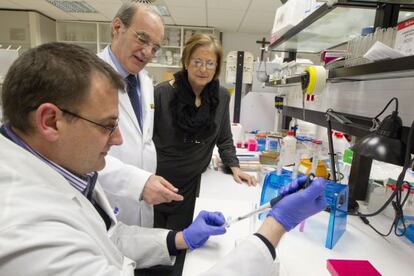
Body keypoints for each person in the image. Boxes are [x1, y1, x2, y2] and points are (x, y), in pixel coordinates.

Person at [0, 42, 328, 276]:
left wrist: (179, 239)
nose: (118, 140)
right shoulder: (30, 230)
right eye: (107, 126)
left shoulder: (58, 169)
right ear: (50, 121)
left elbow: (110, 238)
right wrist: (274, 229)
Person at [153, 33, 256, 231]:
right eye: (197, 61)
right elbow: (145, 140)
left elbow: (224, 138)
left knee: (182, 243)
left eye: (210, 63)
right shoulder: (162, 94)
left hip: (193, 184)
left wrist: (235, 167)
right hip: (159, 181)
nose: (203, 69)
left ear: (217, 67)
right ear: (186, 62)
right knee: (156, 242)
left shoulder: (221, 96)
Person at [98, 2, 183, 227]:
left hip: (142, 201)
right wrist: (138, 182)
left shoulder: (144, 82)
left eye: (155, 47)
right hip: (105, 197)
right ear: (117, 28)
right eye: (142, 39)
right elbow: (76, 153)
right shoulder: (87, 77)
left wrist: (144, 183)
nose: (148, 53)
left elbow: (141, 140)